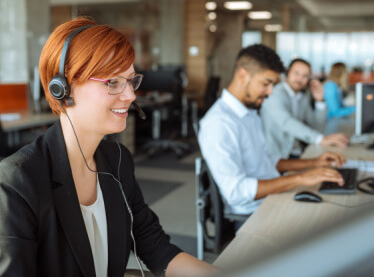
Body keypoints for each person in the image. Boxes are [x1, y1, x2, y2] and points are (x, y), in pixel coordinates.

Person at [0, 18, 217, 277]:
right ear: (64, 87)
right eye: (112, 82)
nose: (130, 95)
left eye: (131, 80)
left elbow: (157, 249)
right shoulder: (18, 181)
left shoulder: (118, 160)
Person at [198, 45, 345, 218]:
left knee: (340, 209)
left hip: (273, 197)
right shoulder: (219, 123)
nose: (270, 92)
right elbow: (236, 191)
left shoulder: (249, 113)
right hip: (254, 212)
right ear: (242, 76)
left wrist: (315, 163)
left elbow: (268, 161)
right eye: (266, 84)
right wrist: (301, 178)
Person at [260, 58, 349, 159]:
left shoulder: (303, 97)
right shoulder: (274, 94)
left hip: (297, 153)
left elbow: (316, 128)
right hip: (276, 157)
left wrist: (320, 101)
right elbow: (287, 123)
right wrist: (321, 139)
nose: (299, 79)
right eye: (296, 73)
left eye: (305, 76)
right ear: (287, 73)